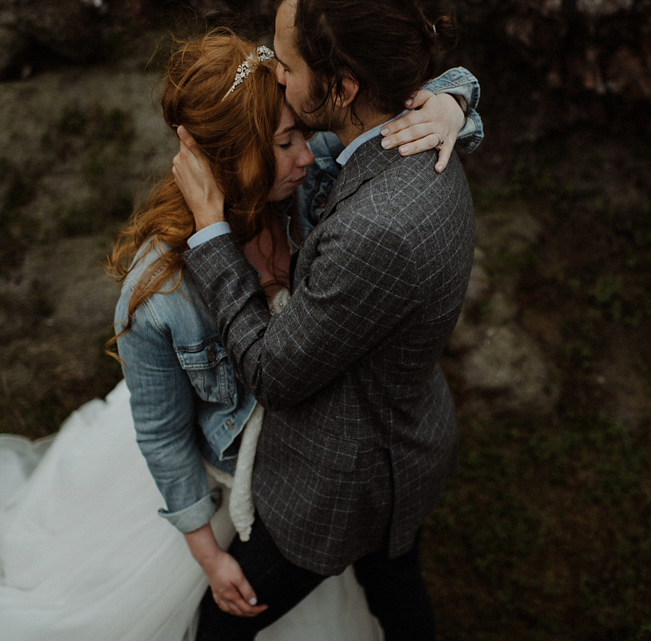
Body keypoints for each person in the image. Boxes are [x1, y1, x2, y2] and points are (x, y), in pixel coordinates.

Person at [0, 26, 482, 641]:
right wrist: (206, 553)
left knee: (393, 573)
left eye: (302, 133)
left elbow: (393, 122)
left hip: (337, 461)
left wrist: (455, 104)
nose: (309, 154)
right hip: (239, 472)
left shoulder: (310, 184)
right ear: (224, 161)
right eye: (286, 142)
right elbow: (163, 432)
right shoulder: (158, 296)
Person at [172, 2, 477, 639]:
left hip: (343, 478)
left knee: (222, 621)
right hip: (408, 433)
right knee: (395, 580)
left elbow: (273, 371)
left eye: (286, 64)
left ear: (341, 89)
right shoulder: (423, 131)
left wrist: (210, 233)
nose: (274, 74)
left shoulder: (375, 229)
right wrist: (460, 98)